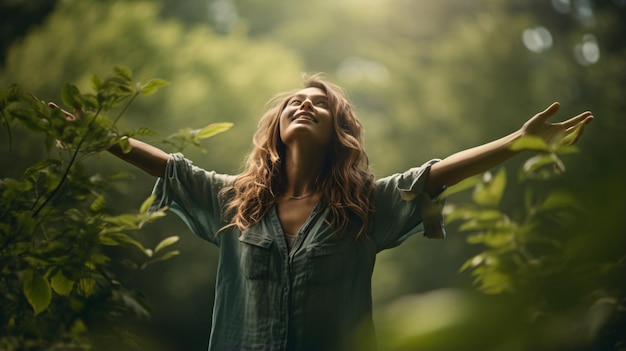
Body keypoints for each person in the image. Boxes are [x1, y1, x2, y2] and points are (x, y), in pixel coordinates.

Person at [55, 74, 593, 350]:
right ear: (277, 126)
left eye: (320, 102)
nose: (304, 103)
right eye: (294, 100)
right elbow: (170, 166)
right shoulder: (234, 201)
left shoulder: (365, 206)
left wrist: (517, 144)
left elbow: (436, 174)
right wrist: (95, 136)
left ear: (337, 129)